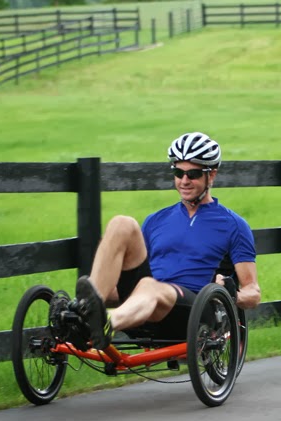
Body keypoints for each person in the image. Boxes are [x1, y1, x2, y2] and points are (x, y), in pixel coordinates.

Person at [56, 131, 261, 350]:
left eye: (192, 174)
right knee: (122, 223)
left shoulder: (234, 225)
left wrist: (233, 294)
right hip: (143, 305)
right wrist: (104, 290)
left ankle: (104, 324)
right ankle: (85, 311)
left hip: (194, 312)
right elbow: (128, 286)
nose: (184, 181)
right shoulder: (156, 220)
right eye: (178, 172)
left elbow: (253, 292)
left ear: (211, 176)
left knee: (150, 286)